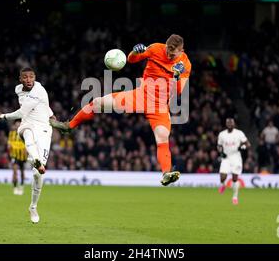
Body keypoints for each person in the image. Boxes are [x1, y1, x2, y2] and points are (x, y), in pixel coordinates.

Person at [50, 34, 192, 186]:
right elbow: (131, 60)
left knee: (162, 137)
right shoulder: (156, 48)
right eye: (168, 51)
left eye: (173, 53)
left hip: (159, 106)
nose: (169, 55)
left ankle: (166, 173)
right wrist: (135, 52)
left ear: (181, 50)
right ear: (165, 45)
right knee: (98, 102)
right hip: (140, 96)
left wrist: (176, 76)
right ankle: (68, 126)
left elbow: (177, 92)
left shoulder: (185, 64)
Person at [0, 67, 54, 223]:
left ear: (35, 78)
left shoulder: (39, 90)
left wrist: (2, 116)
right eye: (25, 77)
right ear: (20, 79)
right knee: (26, 132)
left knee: (37, 174)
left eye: (31, 77)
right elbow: (25, 114)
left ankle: (33, 207)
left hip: (44, 130)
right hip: (27, 125)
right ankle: (34, 158)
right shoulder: (18, 89)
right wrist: (52, 114)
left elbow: (22, 112)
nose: (28, 80)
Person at [217, 118, 250, 205]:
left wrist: (242, 147)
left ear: (234, 124)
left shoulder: (239, 133)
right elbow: (219, 146)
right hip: (226, 158)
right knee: (222, 177)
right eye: (228, 123)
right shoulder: (222, 134)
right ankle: (223, 184)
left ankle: (235, 197)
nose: (230, 124)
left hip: (236, 157)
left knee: (234, 178)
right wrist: (221, 152)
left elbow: (248, 144)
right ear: (226, 124)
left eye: (231, 123)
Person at [8, 121, 27, 195]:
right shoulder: (12, 134)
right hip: (14, 155)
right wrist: (10, 147)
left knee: (22, 172)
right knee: (15, 171)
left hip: (23, 156)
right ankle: (15, 187)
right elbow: (9, 144)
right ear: (15, 126)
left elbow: (27, 144)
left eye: (19, 125)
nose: (18, 126)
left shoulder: (24, 134)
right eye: (17, 125)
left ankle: (21, 185)